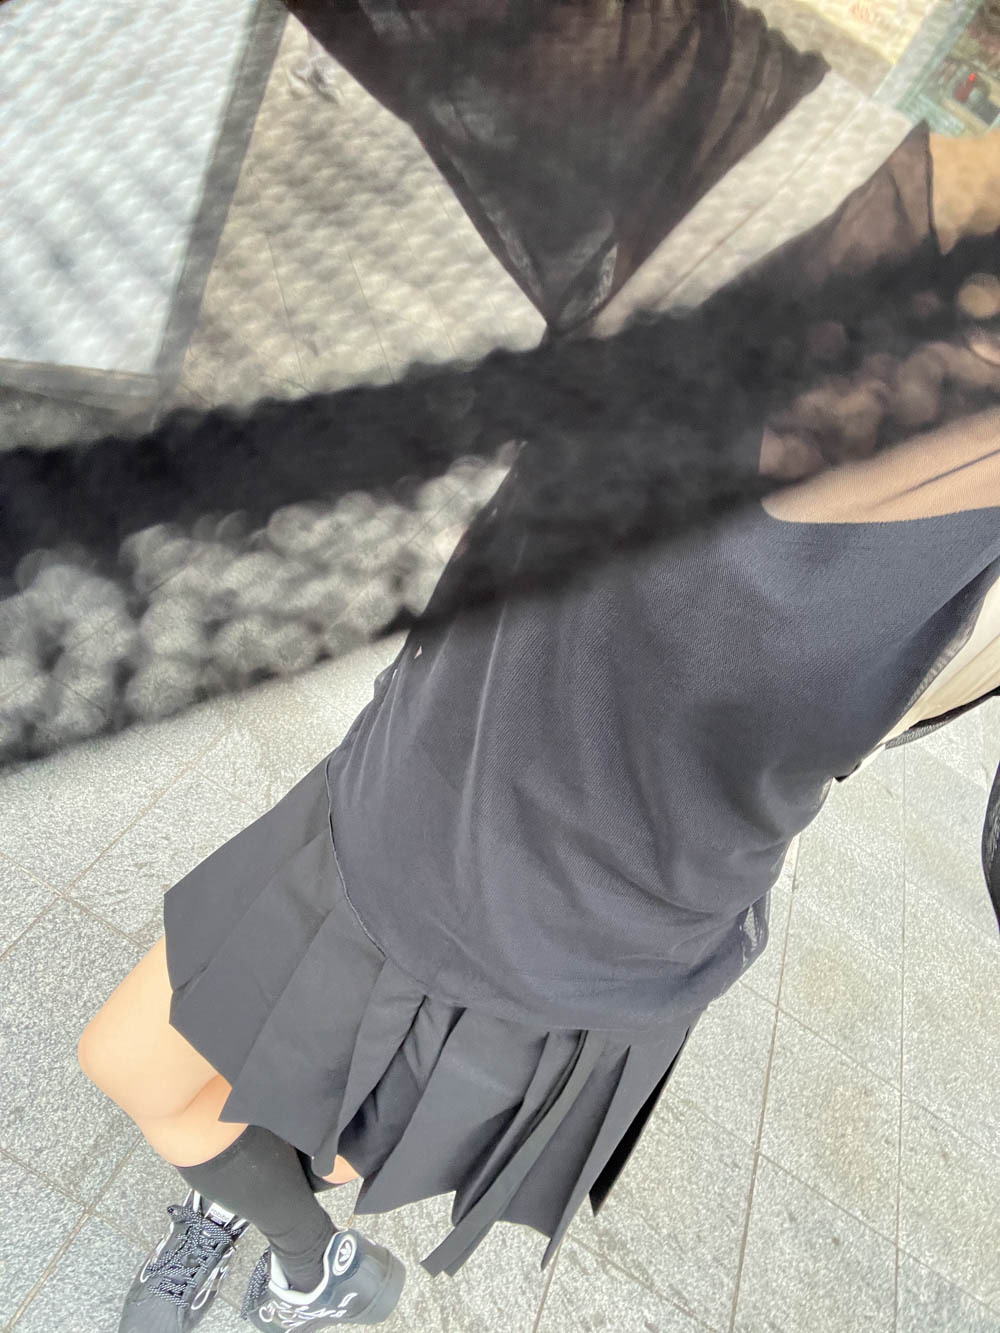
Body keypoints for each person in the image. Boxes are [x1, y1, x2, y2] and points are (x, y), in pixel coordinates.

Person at [75, 6, 1000, 1332]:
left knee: (262, 1108)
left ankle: (300, 1255)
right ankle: (312, 1258)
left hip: (581, 924)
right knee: (164, 1073)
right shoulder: (749, 173)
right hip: (423, 790)